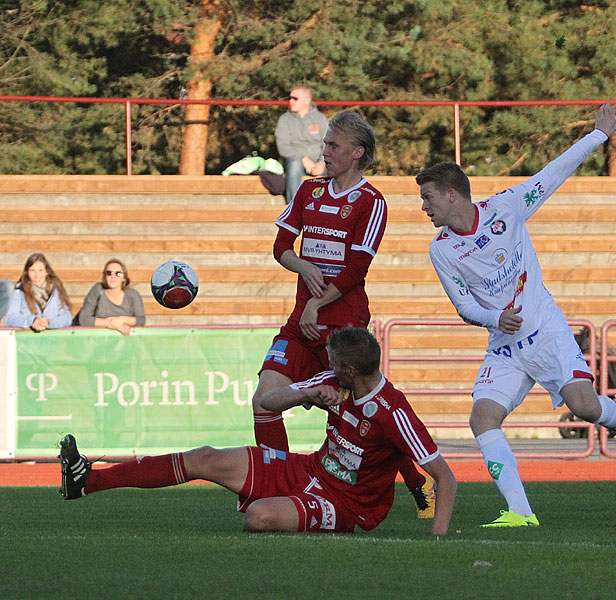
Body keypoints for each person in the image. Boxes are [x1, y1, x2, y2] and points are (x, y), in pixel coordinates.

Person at [414, 104, 616, 528]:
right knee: (481, 417)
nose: (424, 207)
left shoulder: (506, 208)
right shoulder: (442, 248)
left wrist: (599, 136)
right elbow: (463, 305)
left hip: (546, 331)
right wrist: (494, 319)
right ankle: (521, 512)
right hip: (505, 347)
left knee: (583, 407)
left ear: (452, 194)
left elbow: (553, 173)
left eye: (427, 197)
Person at [58, 327, 457, 535]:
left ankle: (278, 504)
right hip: (308, 471)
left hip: (346, 506)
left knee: (259, 518)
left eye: (333, 364)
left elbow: (446, 478)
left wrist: (438, 537)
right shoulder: (333, 383)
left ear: (351, 370)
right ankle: (87, 481)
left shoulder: (392, 410)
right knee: (205, 457)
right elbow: (267, 401)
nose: (328, 368)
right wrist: (309, 395)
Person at [260, 109, 434, 515]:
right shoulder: (308, 192)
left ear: (357, 151)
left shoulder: (371, 203)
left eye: (333, 145)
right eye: (325, 144)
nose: (325, 152)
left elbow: (357, 268)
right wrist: (303, 266)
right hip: (301, 322)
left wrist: (318, 303)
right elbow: (281, 246)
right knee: (264, 400)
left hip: (344, 325)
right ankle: (273, 486)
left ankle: (417, 480)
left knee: (359, 417)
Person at [275, 86, 330, 203]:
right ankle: (295, 209)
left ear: (307, 100)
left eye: (295, 98)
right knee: (295, 165)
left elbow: (328, 144)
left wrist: (321, 163)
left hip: (320, 161)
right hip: (295, 162)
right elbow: (283, 148)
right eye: (290, 98)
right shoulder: (284, 120)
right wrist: (303, 159)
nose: (290, 101)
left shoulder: (320, 119)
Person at [3, 253, 73, 331]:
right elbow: (10, 319)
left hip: (53, 337)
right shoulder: (19, 291)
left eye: (40, 270)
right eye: (33, 270)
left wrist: (49, 323)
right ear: (27, 272)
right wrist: (32, 321)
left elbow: (67, 317)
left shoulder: (56, 290)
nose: (37, 275)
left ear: (46, 271)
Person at [75, 259, 145, 335]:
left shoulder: (132, 295)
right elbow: (83, 319)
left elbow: (141, 319)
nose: (113, 276)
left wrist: (122, 320)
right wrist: (112, 324)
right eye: (108, 273)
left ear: (124, 278)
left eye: (118, 273)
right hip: (99, 339)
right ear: (104, 276)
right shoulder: (98, 290)